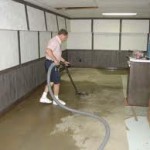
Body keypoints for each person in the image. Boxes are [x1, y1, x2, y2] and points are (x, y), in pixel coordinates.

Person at [40, 29, 69, 105]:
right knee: (57, 82)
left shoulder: (57, 41)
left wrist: (63, 61)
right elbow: (48, 50)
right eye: (65, 37)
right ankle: (56, 100)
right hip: (51, 63)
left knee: (51, 81)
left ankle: (43, 97)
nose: (65, 39)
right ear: (62, 35)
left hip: (50, 63)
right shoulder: (54, 41)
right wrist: (55, 60)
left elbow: (56, 54)